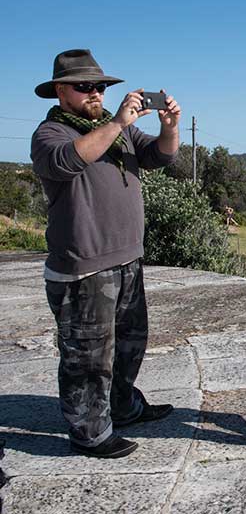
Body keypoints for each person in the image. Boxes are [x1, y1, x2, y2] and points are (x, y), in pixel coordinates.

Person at [30, 49, 182, 459]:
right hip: (84, 265)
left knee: (130, 343)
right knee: (88, 354)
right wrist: (117, 122)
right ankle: (90, 433)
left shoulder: (118, 131)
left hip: (127, 257)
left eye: (99, 86)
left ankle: (122, 406)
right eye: (85, 86)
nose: (95, 93)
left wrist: (170, 127)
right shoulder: (51, 134)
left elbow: (161, 156)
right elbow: (68, 161)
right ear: (61, 92)